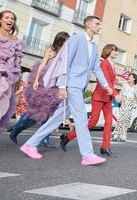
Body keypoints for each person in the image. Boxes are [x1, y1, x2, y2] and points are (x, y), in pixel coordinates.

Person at [20, 16, 112, 166]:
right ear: (87, 24)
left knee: (56, 118)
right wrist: (62, 86)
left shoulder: (94, 47)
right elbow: (65, 63)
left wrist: (106, 85)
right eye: (97, 24)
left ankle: (30, 144)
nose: (99, 26)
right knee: (82, 118)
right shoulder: (76, 40)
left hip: (80, 86)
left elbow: (96, 68)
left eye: (100, 24)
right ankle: (87, 155)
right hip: (72, 85)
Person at [9, 31, 70, 147]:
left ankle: (44, 139)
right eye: (66, 41)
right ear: (60, 40)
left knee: (50, 113)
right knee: (33, 113)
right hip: (44, 83)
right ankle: (15, 130)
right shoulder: (51, 50)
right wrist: (36, 80)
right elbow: (42, 66)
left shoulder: (66, 54)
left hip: (56, 85)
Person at [61, 44, 120, 157]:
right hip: (99, 97)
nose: (116, 52)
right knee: (92, 123)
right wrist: (115, 93)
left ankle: (105, 147)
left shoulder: (112, 65)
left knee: (109, 123)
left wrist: (118, 89)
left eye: (116, 51)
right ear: (108, 51)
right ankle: (67, 137)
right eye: (114, 50)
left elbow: (112, 81)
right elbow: (106, 80)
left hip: (108, 98)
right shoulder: (103, 63)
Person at [0, 10, 23, 130]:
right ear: (0, 20)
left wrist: (15, 82)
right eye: (7, 17)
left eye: (12, 19)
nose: (10, 20)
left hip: (9, 77)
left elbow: (16, 62)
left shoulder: (15, 39)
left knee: (3, 108)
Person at [112, 72, 137, 142]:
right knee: (120, 120)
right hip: (124, 103)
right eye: (129, 76)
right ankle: (116, 135)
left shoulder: (136, 87)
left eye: (131, 77)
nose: (129, 78)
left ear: (134, 79)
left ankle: (123, 136)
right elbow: (118, 79)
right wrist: (113, 72)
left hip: (130, 104)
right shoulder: (125, 83)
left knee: (126, 120)